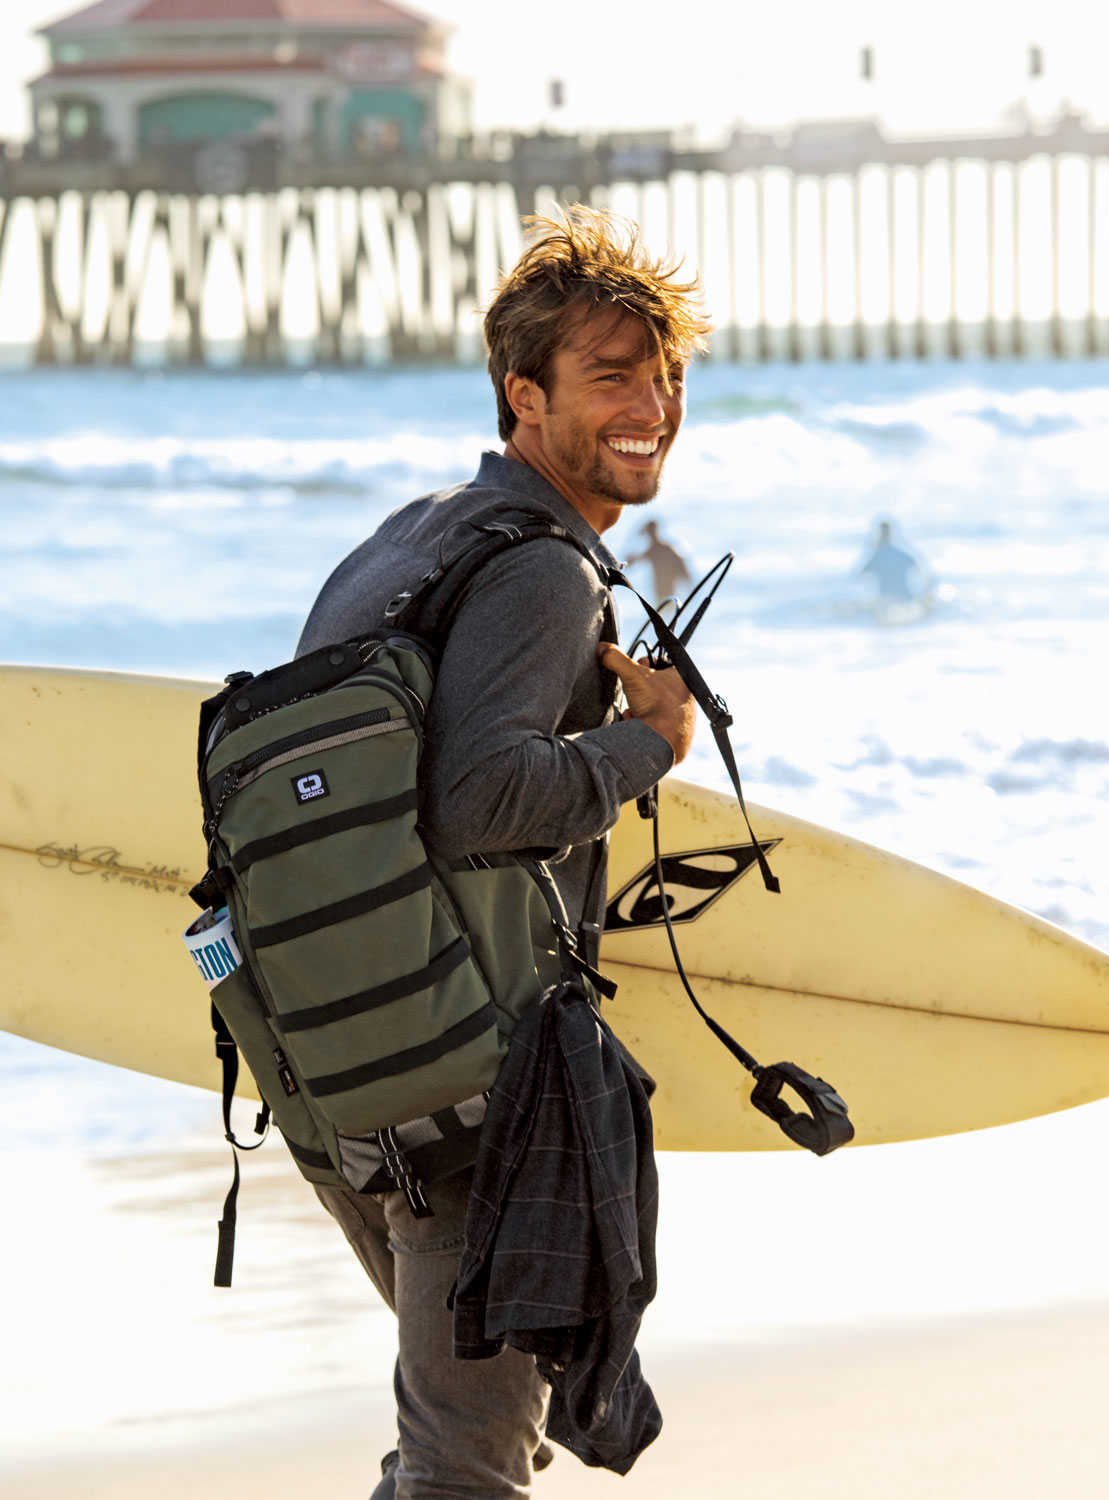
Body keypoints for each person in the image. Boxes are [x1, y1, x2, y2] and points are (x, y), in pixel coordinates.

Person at [294, 205, 710, 1499]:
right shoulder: (538, 571)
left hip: (328, 1054)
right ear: (524, 395)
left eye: (665, 374)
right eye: (612, 375)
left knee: (466, 1433)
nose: (652, 403)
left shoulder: (412, 538)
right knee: (468, 1466)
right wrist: (653, 742)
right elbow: (483, 802)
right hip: (466, 1079)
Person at [859, 518, 927, 604]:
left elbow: (861, 574)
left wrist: (868, 547)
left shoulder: (877, 556)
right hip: (906, 598)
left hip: (887, 600)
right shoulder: (901, 554)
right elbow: (919, 567)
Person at [626, 517, 691, 604]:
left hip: (668, 592)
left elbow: (683, 569)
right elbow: (629, 564)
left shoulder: (661, 549)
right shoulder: (655, 550)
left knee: (666, 611)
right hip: (661, 593)